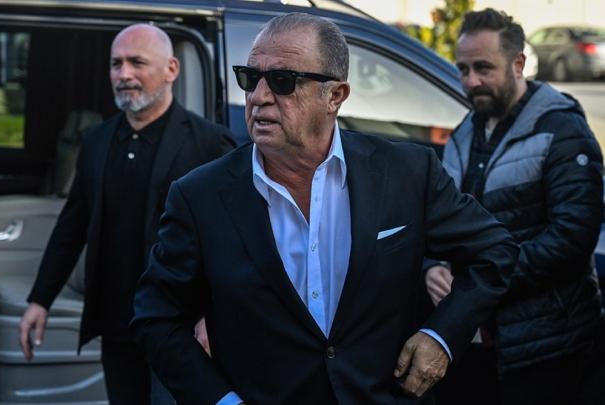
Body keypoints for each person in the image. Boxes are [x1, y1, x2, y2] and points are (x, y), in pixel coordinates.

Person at [131, 12, 519, 405]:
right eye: (250, 78)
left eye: (282, 81)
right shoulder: (199, 196)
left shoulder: (406, 172)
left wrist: (441, 337)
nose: (259, 97)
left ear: (335, 96)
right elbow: (157, 319)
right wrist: (223, 401)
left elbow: (495, 251)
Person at [18, 23, 235, 404]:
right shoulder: (97, 140)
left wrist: (214, 316)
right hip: (118, 324)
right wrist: (40, 300)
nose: (124, 74)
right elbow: (72, 226)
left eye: (137, 62)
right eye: (116, 64)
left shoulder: (209, 143)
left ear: (171, 69)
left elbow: (231, 243)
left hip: (179, 327)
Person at [425, 8, 605, 405]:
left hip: (550, 347)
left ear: (519, 63)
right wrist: (432, 265)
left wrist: (480, 281)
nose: (471, 81)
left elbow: (572, 238)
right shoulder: (466, 130)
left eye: (483, 68)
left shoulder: (562, 129)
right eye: (463, 69)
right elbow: (438, 219)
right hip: (478, 342)